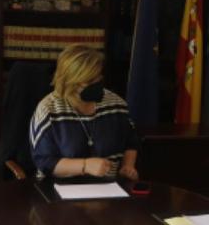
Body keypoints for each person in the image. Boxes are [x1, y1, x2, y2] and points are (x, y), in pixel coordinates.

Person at [29, 44, 140, 180]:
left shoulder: (116, 104)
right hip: (58, 190)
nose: (97, 83)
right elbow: (44, 162)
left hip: (108, 189)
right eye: (89, 81)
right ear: (70, 82)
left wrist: (128, 166)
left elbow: (131, 141)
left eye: (98, 77)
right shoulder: (49, 110)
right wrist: (85, 165)